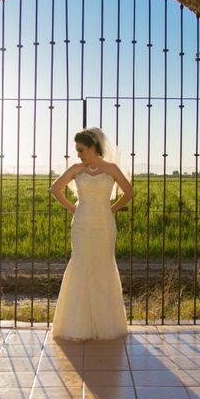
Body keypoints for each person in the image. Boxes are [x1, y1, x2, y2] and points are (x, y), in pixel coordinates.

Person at [49, 127, 133, 341]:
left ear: (93, 147)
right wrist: (72, 208)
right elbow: (55, 188)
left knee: (103, 265)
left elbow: (129, 192)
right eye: (77, 151)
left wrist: (112, 208)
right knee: (80, 264)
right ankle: (77, 325)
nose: (78, 154)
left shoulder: (111, 168)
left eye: (81, 150)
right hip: (82, 224)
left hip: (104, 225)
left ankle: (106, 325)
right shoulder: (77, 169)